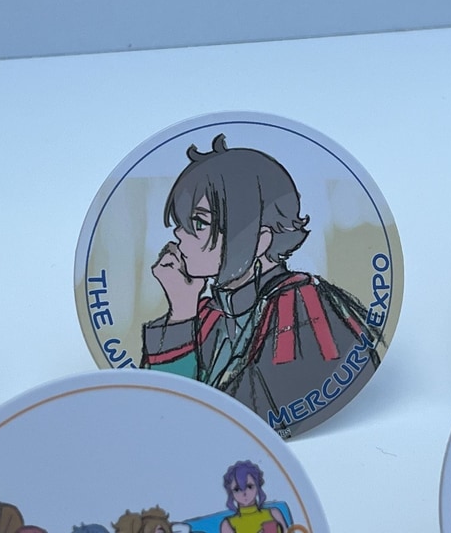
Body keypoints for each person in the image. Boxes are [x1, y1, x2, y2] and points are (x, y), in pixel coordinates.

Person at [141, 134, 384, 426]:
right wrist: (182, 313)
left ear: (259, 239)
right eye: (181, 224)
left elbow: (229, 422)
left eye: (199, 223)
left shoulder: (308, 311)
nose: (179, 234)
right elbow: (165, 413)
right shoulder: (207, 314)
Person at [220, 461, 287, 533]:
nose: (244, 493)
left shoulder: (274, 513)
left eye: (249, 486)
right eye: (237, 489)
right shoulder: (228, 524)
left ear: (257, 487)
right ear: (231, 493)